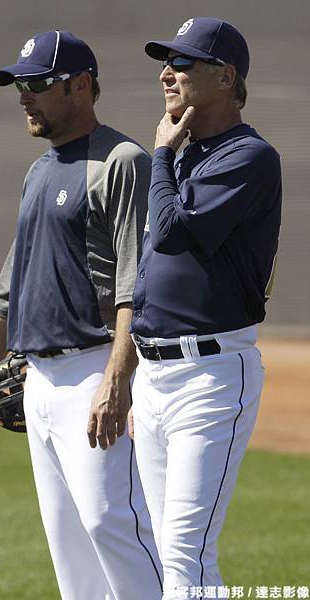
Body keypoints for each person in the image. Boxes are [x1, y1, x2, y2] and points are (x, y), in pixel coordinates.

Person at [0, 30, 162, 600]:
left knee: (115, 528)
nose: (24, 96)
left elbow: (135, 283)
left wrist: (116, 381)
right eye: (19, 85)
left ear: (81, 86)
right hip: (40, 380)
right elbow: (14, 278)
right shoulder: (40, 171)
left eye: (37, 84)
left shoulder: (121, 161)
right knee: (69, 548)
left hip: (94, 371)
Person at [129, 17, 282, 599]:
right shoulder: (189, 156)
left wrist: (162, 153)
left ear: (226, 76)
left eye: (184, 63)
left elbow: (169, 233)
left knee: (184, 557)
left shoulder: (249, 157)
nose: (168, 73)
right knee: (175, 558)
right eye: (167, 63)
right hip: (156, 375)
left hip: (211, 378)